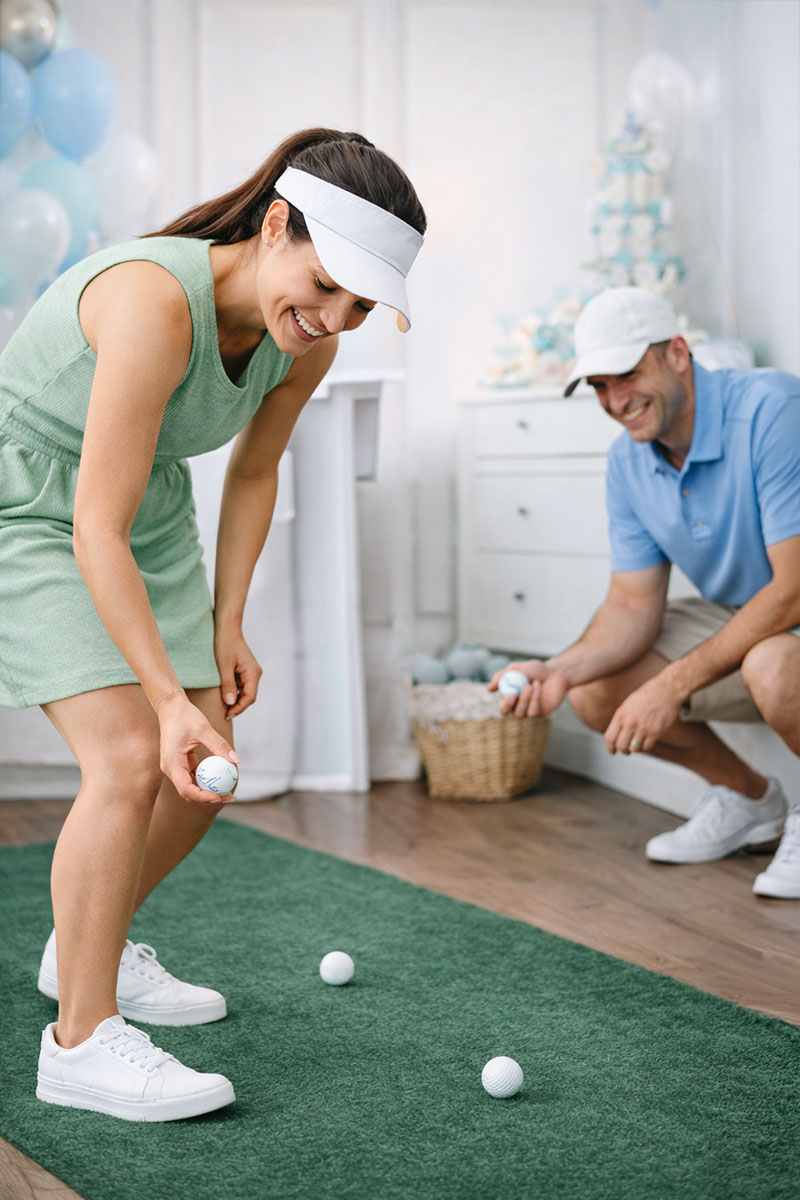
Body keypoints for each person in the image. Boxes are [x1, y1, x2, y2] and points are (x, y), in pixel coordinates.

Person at [0, 127, 426, 1121]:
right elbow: (87, 528)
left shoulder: (299, 343)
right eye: (323, 286)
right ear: (275, 225)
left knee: (202, 776)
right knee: (130, 757)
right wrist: (160, 696)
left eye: (358, 306)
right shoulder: (153, 301)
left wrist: (228, 619)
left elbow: (253, 470)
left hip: (139, 511)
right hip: (31, 510)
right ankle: (79, 1043)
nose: (331, 318)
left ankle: (84, 949)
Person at [490, 287, 800, 898]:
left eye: (626, 376)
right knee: (595, 687)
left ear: (678, 353)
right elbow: (633, 606)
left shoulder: (773, 411)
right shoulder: (628, 462)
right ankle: (750, 802)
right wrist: (556, 669)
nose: (615, 401)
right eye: (599, 387)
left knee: (772, 663)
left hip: (785, 615)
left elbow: (791, 592)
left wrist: (671, 685)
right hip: (747, 617)